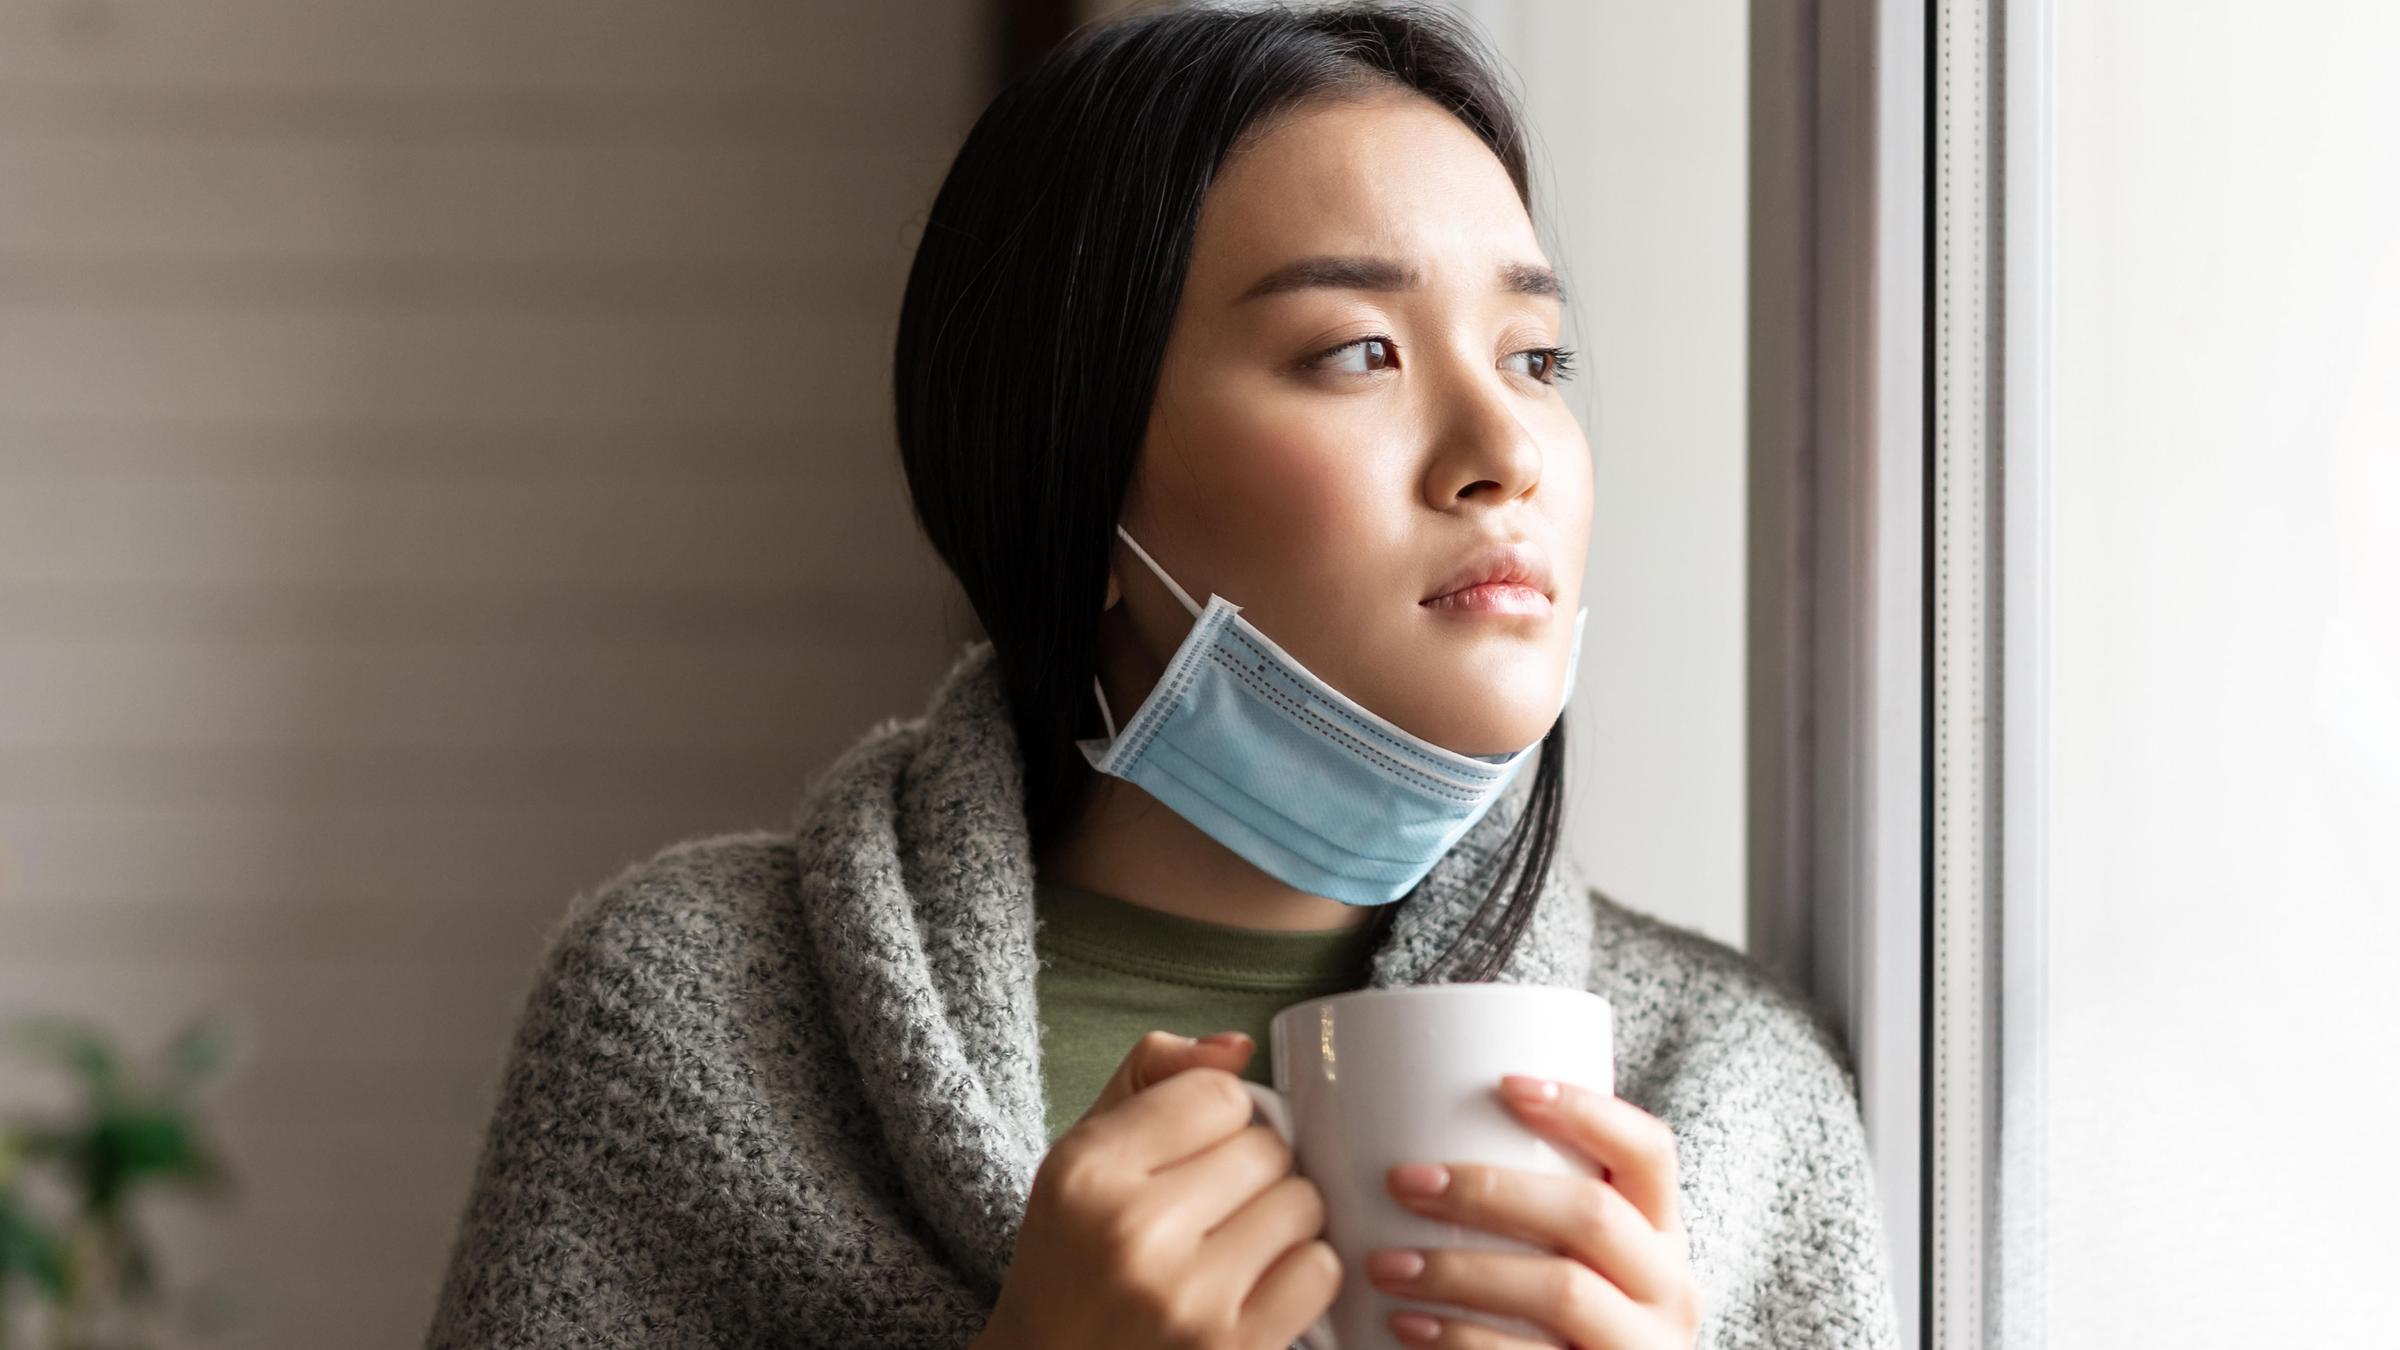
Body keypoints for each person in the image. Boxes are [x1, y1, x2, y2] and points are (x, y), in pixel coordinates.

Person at [424, 4, 1902, 1347]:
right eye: (1357, 351)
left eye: (1536, 357)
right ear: (1079, 479)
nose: (1504, 451)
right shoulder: (697, 1019)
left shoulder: (1734, 1102)